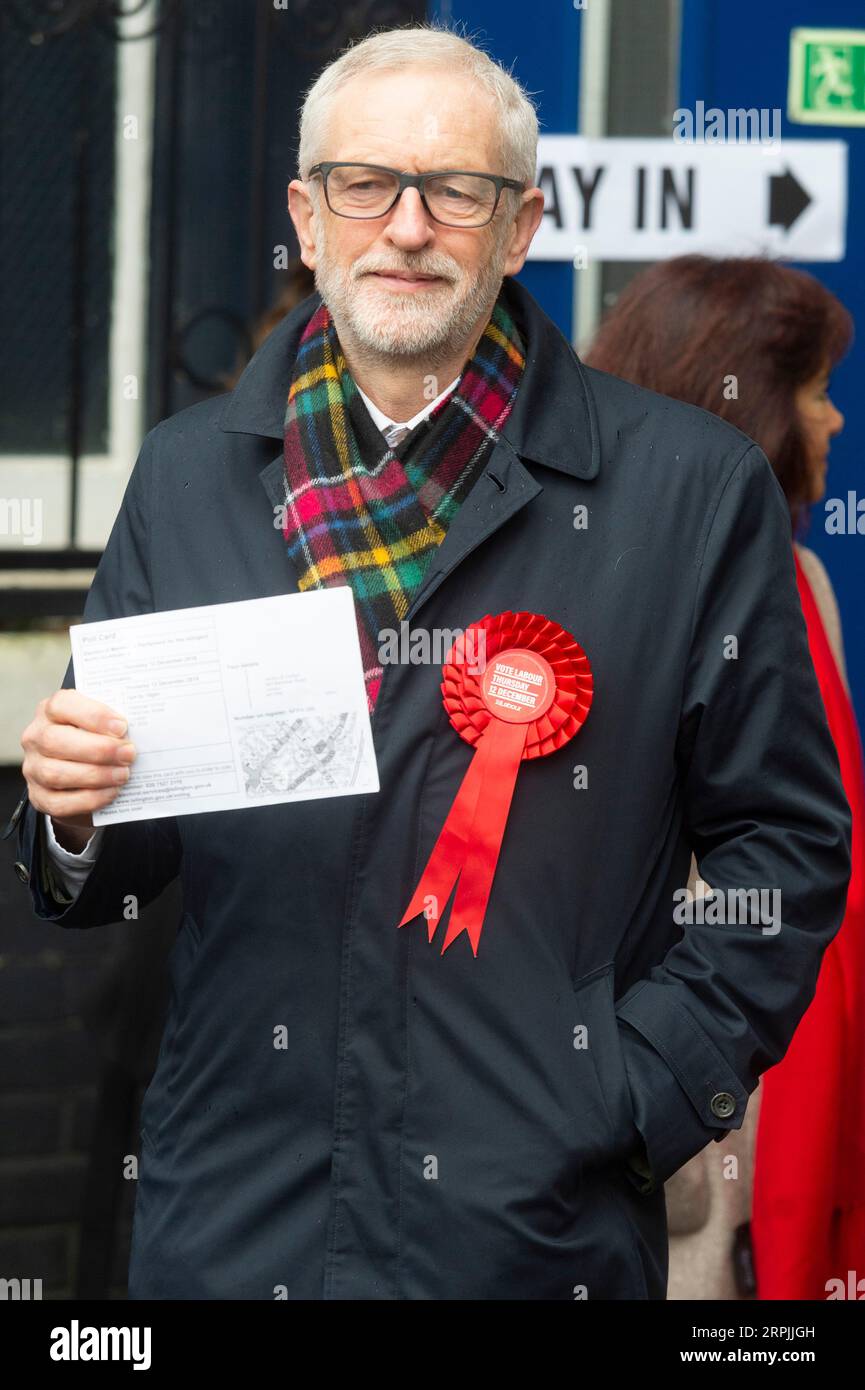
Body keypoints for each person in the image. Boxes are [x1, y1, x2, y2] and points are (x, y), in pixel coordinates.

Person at [8, 28, 852, 1301]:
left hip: (535, 1235)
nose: (407, 225)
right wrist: (71, 814)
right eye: (366, 184)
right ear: (307, 211)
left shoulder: (687, 489)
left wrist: (631, 1091)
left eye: (455, 191)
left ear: (518, 228)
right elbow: (121, 850)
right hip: (234, 1221)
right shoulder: (189, 471)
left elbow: (784, 850)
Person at [586, 254, 865, 1300]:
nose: (833, 420)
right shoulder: (603, 584)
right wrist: (653, 1085)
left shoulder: (806, 583)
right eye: (813, 390)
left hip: (793, 1070)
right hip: (686, 1127)